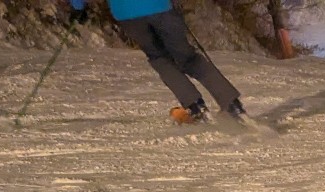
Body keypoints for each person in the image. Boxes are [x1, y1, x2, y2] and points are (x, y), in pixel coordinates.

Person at [68, 0, 247, 121]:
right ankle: (231, 104)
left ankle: (195, 106)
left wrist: (78, 7)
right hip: (160, 7)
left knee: (159, 58)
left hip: (127, 14)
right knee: (188, 57)